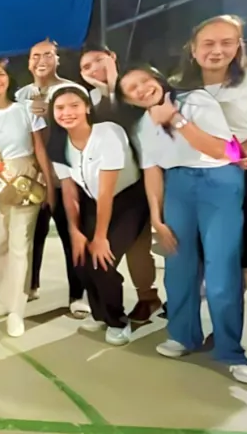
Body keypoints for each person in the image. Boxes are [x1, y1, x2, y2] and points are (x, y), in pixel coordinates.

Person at [117, 64, 247, 384]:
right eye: (132, 89)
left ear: (157, 78)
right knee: (178, 265)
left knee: (221, 268)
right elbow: (153, 171)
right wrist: (156, 216)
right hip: (178, 186)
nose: (142, 89)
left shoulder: (195, 100)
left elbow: (222, 149)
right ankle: (183, 336)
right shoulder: (143, 126)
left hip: (219, 180)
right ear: (129, 100)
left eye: (144, 81)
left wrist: (175, 120)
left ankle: (231, 352)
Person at [172, 15, 247, 284]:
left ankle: (229, 310)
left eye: (227, 42)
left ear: (238, 46)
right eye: (208, 43)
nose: (217, 50)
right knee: (199, 242)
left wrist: (240, 154)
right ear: (193, 48)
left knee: (243, 248)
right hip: (197, 174)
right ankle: (198, 293)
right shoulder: (178, 84)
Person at [47, 87, 146, 346]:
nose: (67, 113)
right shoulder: (57, 143)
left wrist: (100, 236)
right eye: (60, 108)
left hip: (127, 201)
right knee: (80, 260)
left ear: (87, 108)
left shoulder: (108, 133)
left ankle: (118, 321)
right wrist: (75, 231)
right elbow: (69, 190)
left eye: (74, 106)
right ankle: (100, 313)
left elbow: (107, 190)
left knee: (102, 261)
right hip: (90, 200)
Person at [78, 44, 162, 321]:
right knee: (108, 248)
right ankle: (127, 301)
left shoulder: (132, 87)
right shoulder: (89, 99)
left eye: (97, 61)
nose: (93, 70)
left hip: (142, 180)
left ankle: (148, 296)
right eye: (86, 67)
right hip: (106, 186)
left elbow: (122, 123)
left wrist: (112, 88)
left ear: (112, 56)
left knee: (139, 247)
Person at [0, 61, 52, 337]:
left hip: (24, 176)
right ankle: (4, 298)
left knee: (20, 245)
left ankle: (18, 309)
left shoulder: (25, 110)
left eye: (1, 74)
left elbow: (40, 148)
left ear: (9, 79)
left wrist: (49, 184)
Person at [15, 39, 86, 313]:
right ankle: (31, 285)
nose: (41, 60)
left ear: (57, 59)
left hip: (66, 175)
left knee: (72, 235)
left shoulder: (71, 90)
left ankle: (77, 295)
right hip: (32, 177)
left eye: (47, 55)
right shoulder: (21, 95)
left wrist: (52, 113)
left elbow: (83, 129)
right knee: (33, 233)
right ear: (29, 62)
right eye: (35, 56)